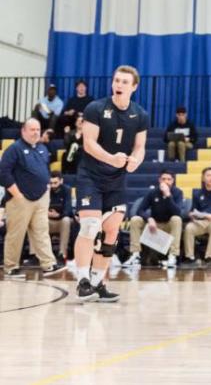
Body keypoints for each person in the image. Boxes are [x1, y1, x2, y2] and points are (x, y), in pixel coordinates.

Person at [73, 65, 149, 302]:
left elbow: (140, 146)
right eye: (117, 80)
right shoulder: (95, 108)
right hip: (91, 176)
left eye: (125, 82)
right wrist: (111, 158)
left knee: (112, 229)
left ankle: (98, 282)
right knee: (90, 225)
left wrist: (136, 160)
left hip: (116, 180)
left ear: (134, 87)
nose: (119, 85)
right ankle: (83, 280)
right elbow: (88, 143)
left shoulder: (140, 115)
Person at [0, 119, 66, 278]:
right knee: (16, 234)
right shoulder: (15, 149)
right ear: (23, 131)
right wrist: (17, 194)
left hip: (41, 198)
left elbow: (44, 171)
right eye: (32, 129)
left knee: (41, 232)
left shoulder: (43, 148)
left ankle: (48, 264)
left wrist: (47, 188)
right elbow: (3, 173)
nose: (36, 132)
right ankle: (10, 267)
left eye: (38, 129)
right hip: (20, 199)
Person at [125, 171, 184, 268]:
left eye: (169, 179)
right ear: (159, 180)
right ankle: (135, 255)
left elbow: (178, 212)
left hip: (169, 226)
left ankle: (173, 256)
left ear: (173, 181)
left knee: (176, 219)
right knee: (135, 219)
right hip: (154, 226)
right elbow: (140, 210)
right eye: (163, 179)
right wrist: (149, 219)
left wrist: (168, 195)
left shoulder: (177, 192)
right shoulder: (152, 192)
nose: (166, 181)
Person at [183, 167, 211, 266]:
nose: (210, 178)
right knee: (189, 228)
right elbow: (192, 211)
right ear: (203, 178)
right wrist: (192, 215)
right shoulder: (197, 193)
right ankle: (190, 257)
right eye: (208, 175)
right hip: (202, 222)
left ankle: (209, 257)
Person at [47, 171, 74, 262]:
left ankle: (62, 254)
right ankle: (43, 255)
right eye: (51, 183)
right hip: (48, 220)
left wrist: (58, 215)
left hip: (61, 220)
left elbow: (68, 209)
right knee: (38, 221)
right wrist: (47, 213)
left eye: (55, 183)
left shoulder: (67, 190)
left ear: (61, 181)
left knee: (66, 220)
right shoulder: (46, 190)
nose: (53, 185)